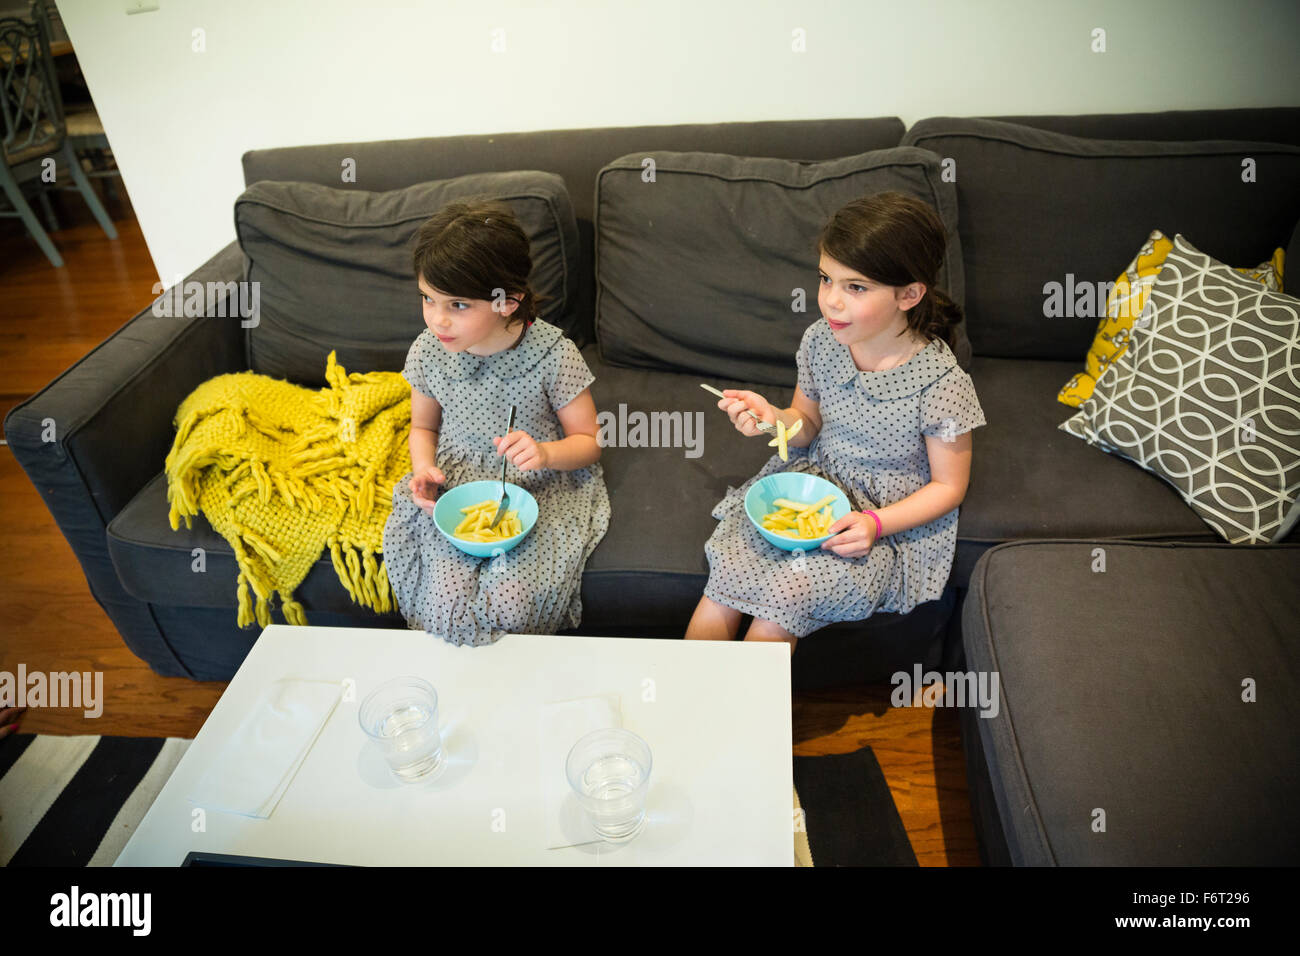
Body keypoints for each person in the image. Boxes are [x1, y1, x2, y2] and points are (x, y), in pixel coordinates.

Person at [685, 191, 986, 656]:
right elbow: (804, 422)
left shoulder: (943, 384)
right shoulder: (821, 341)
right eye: (827, 279)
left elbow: (948, 488)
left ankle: (740, 721)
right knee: (726, 579)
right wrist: (772, 421)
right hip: (812, 487)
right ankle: (686, 714)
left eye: (856, 288)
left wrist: (874, 523)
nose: (832, 302)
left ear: (909, 294)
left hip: (881, 520)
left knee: (781, 602)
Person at [382, 200, 609, 645]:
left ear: (508, 302)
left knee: (512, 601)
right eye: (427, 298)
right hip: (458, 483)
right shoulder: (428, 350)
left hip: (539, 483)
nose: (437, 318)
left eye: (458, 304)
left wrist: (545, 453)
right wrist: (424, 468)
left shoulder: (553, 354)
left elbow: (590, 440)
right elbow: (423, 428)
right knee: (444, 599)